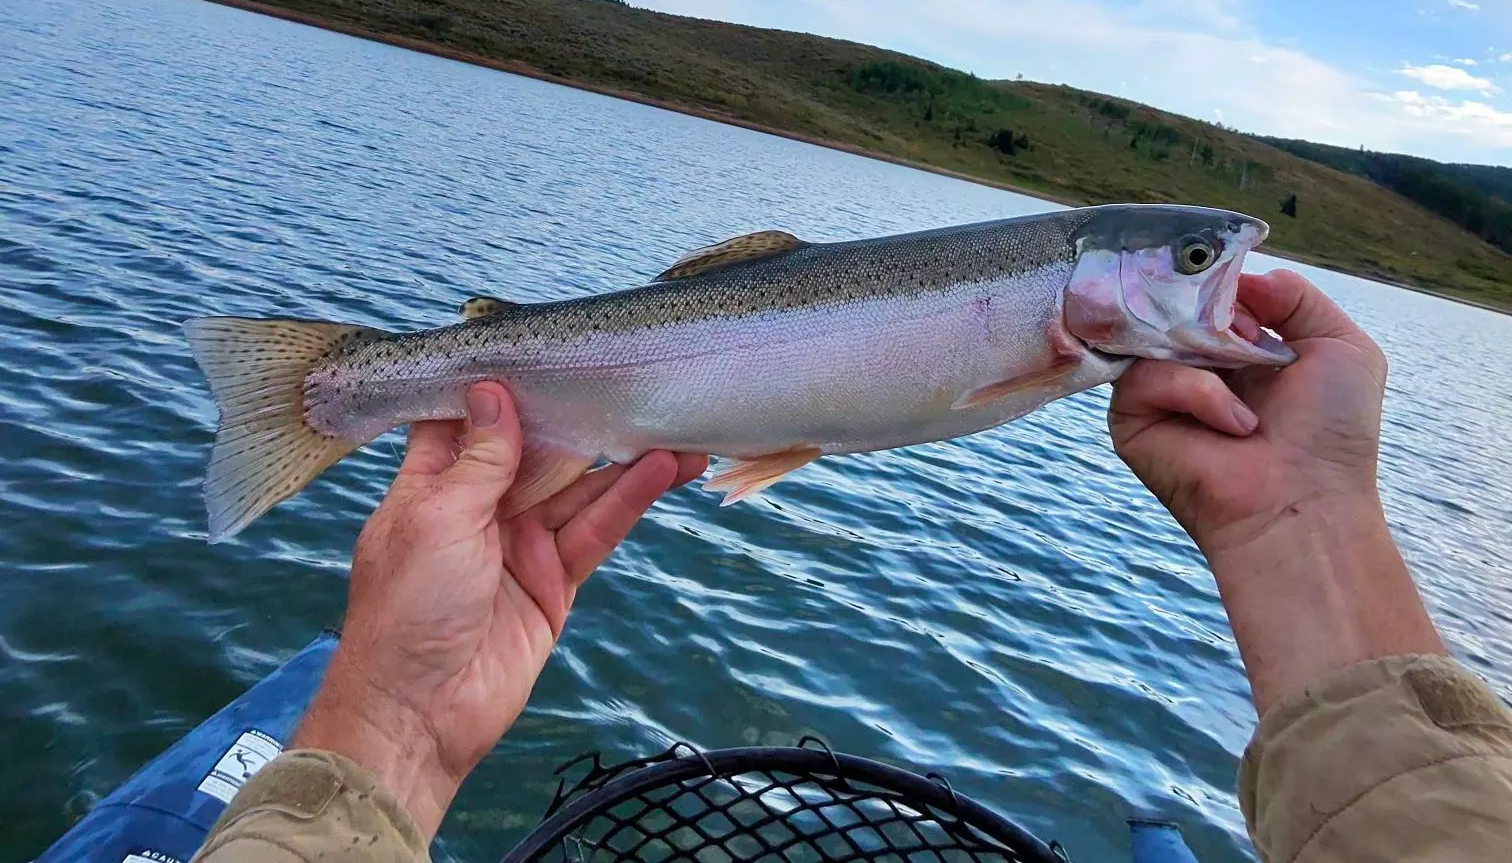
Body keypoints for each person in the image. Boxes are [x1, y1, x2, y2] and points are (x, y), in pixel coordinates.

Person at [194, 271, 1512, 863]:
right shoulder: (1048, 334)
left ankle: (332, 387)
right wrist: (1316, 523)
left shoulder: (1068, 341)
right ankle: (328, 385)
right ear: (1098, 270)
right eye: (1181, 261)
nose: (1203, 280)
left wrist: (389, 728)